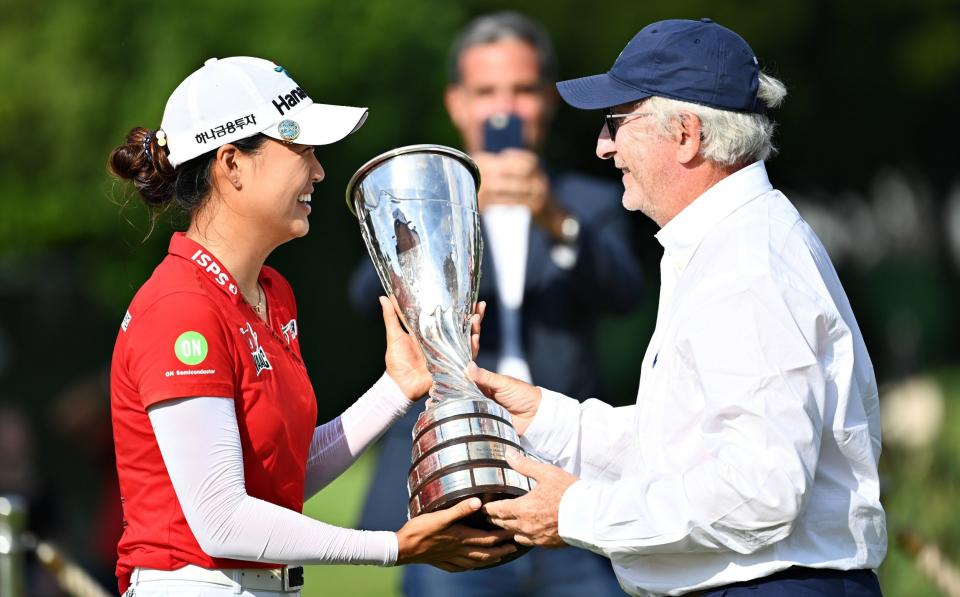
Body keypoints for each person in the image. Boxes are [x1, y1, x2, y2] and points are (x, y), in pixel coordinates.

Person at [471, 18, 888, 597]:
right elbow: (690, 444)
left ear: (686, 134)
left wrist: (577, 513)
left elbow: (759, 492)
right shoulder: (728, 243)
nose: (603, 145)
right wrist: (546, 418)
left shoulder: (746, 266)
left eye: (616, 123)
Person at [106, 56, 515, 597]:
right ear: (232, 164)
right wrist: (393, 546)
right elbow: (222, 520)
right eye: (301, 150)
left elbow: (284, 477)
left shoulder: (272, 293)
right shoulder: (181, 307)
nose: (319, 171)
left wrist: (397, 387)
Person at [350, 11, 642, 597]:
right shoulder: (422, 201)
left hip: (564, 480)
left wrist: (554, 218)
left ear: (548, 102)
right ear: (457, 103)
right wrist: (459, 209)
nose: (504, 109)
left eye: (522, 91)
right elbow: (365, 295)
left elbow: (626, 291)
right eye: (486, 92)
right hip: (453, 485)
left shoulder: (589, 200)